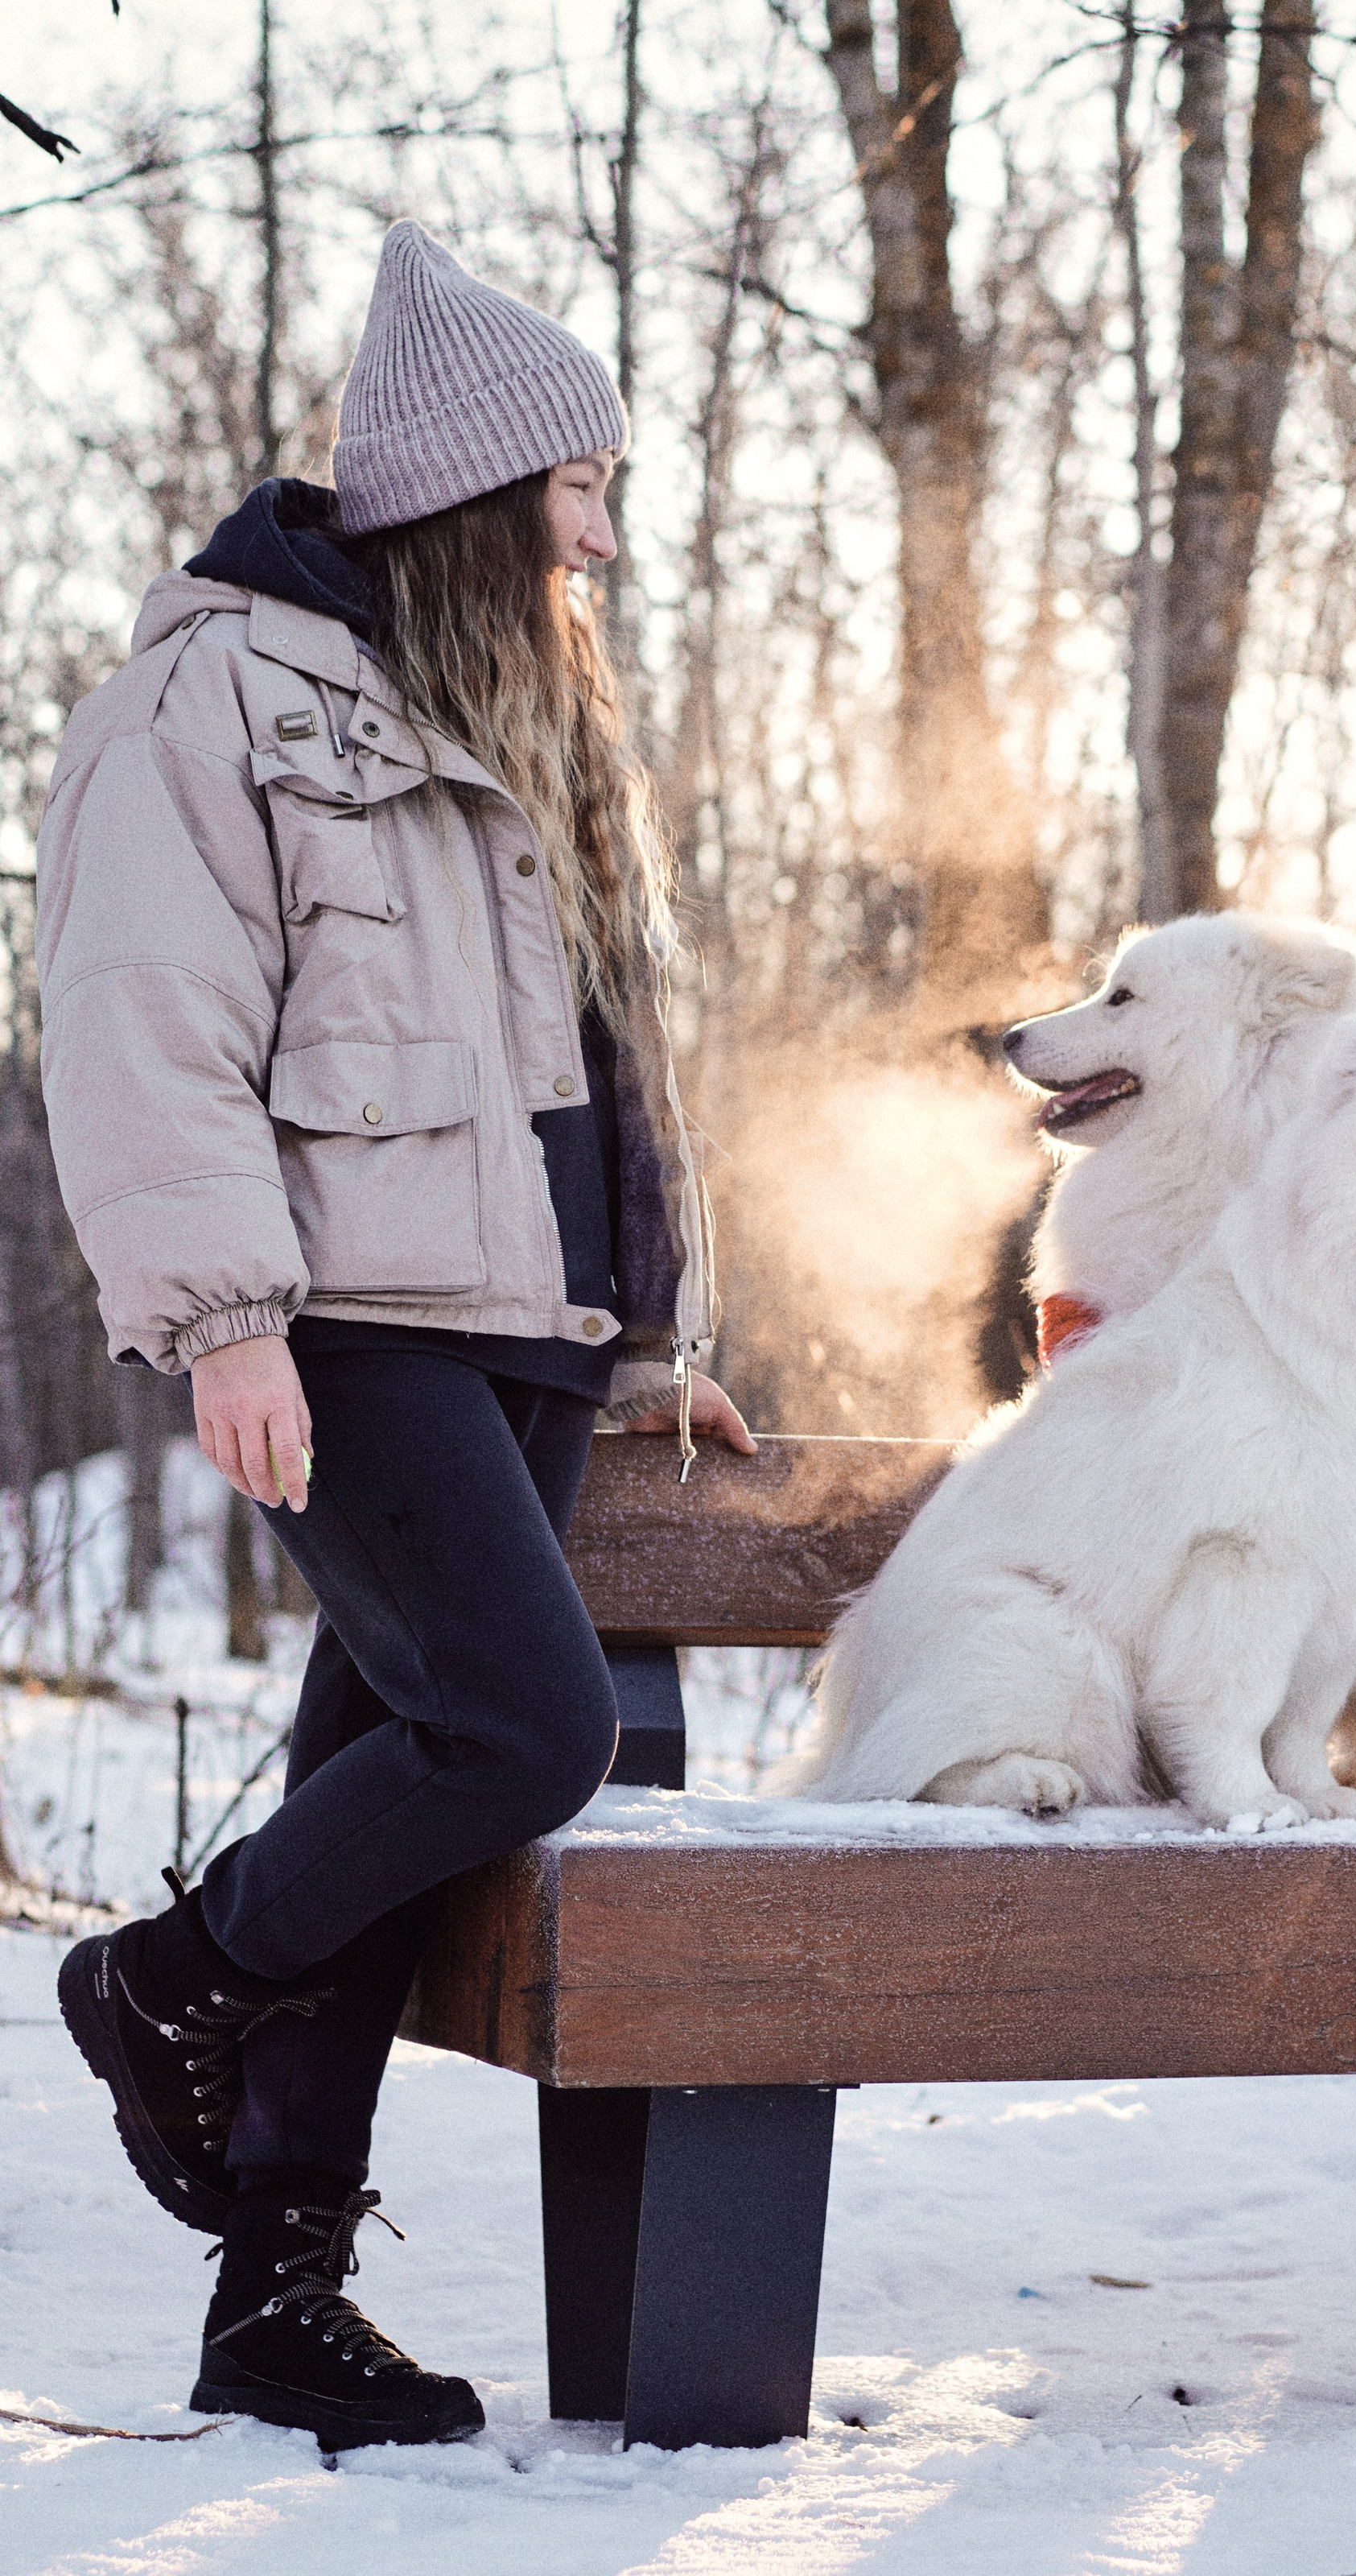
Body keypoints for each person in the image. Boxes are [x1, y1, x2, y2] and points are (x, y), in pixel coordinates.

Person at [39, 220, 753, 2454]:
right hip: (350, 1330)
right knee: (523, 1732)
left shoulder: (520, 716)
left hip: (521, 1334)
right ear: (475, 489)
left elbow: (599, 1067)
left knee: (395, 1788)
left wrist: (649, 1341)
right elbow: (145, 1026)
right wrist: (230, 1320)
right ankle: (158, 1981)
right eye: (580, 493)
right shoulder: (220, 693)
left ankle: (276, 2299)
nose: (604, 540)